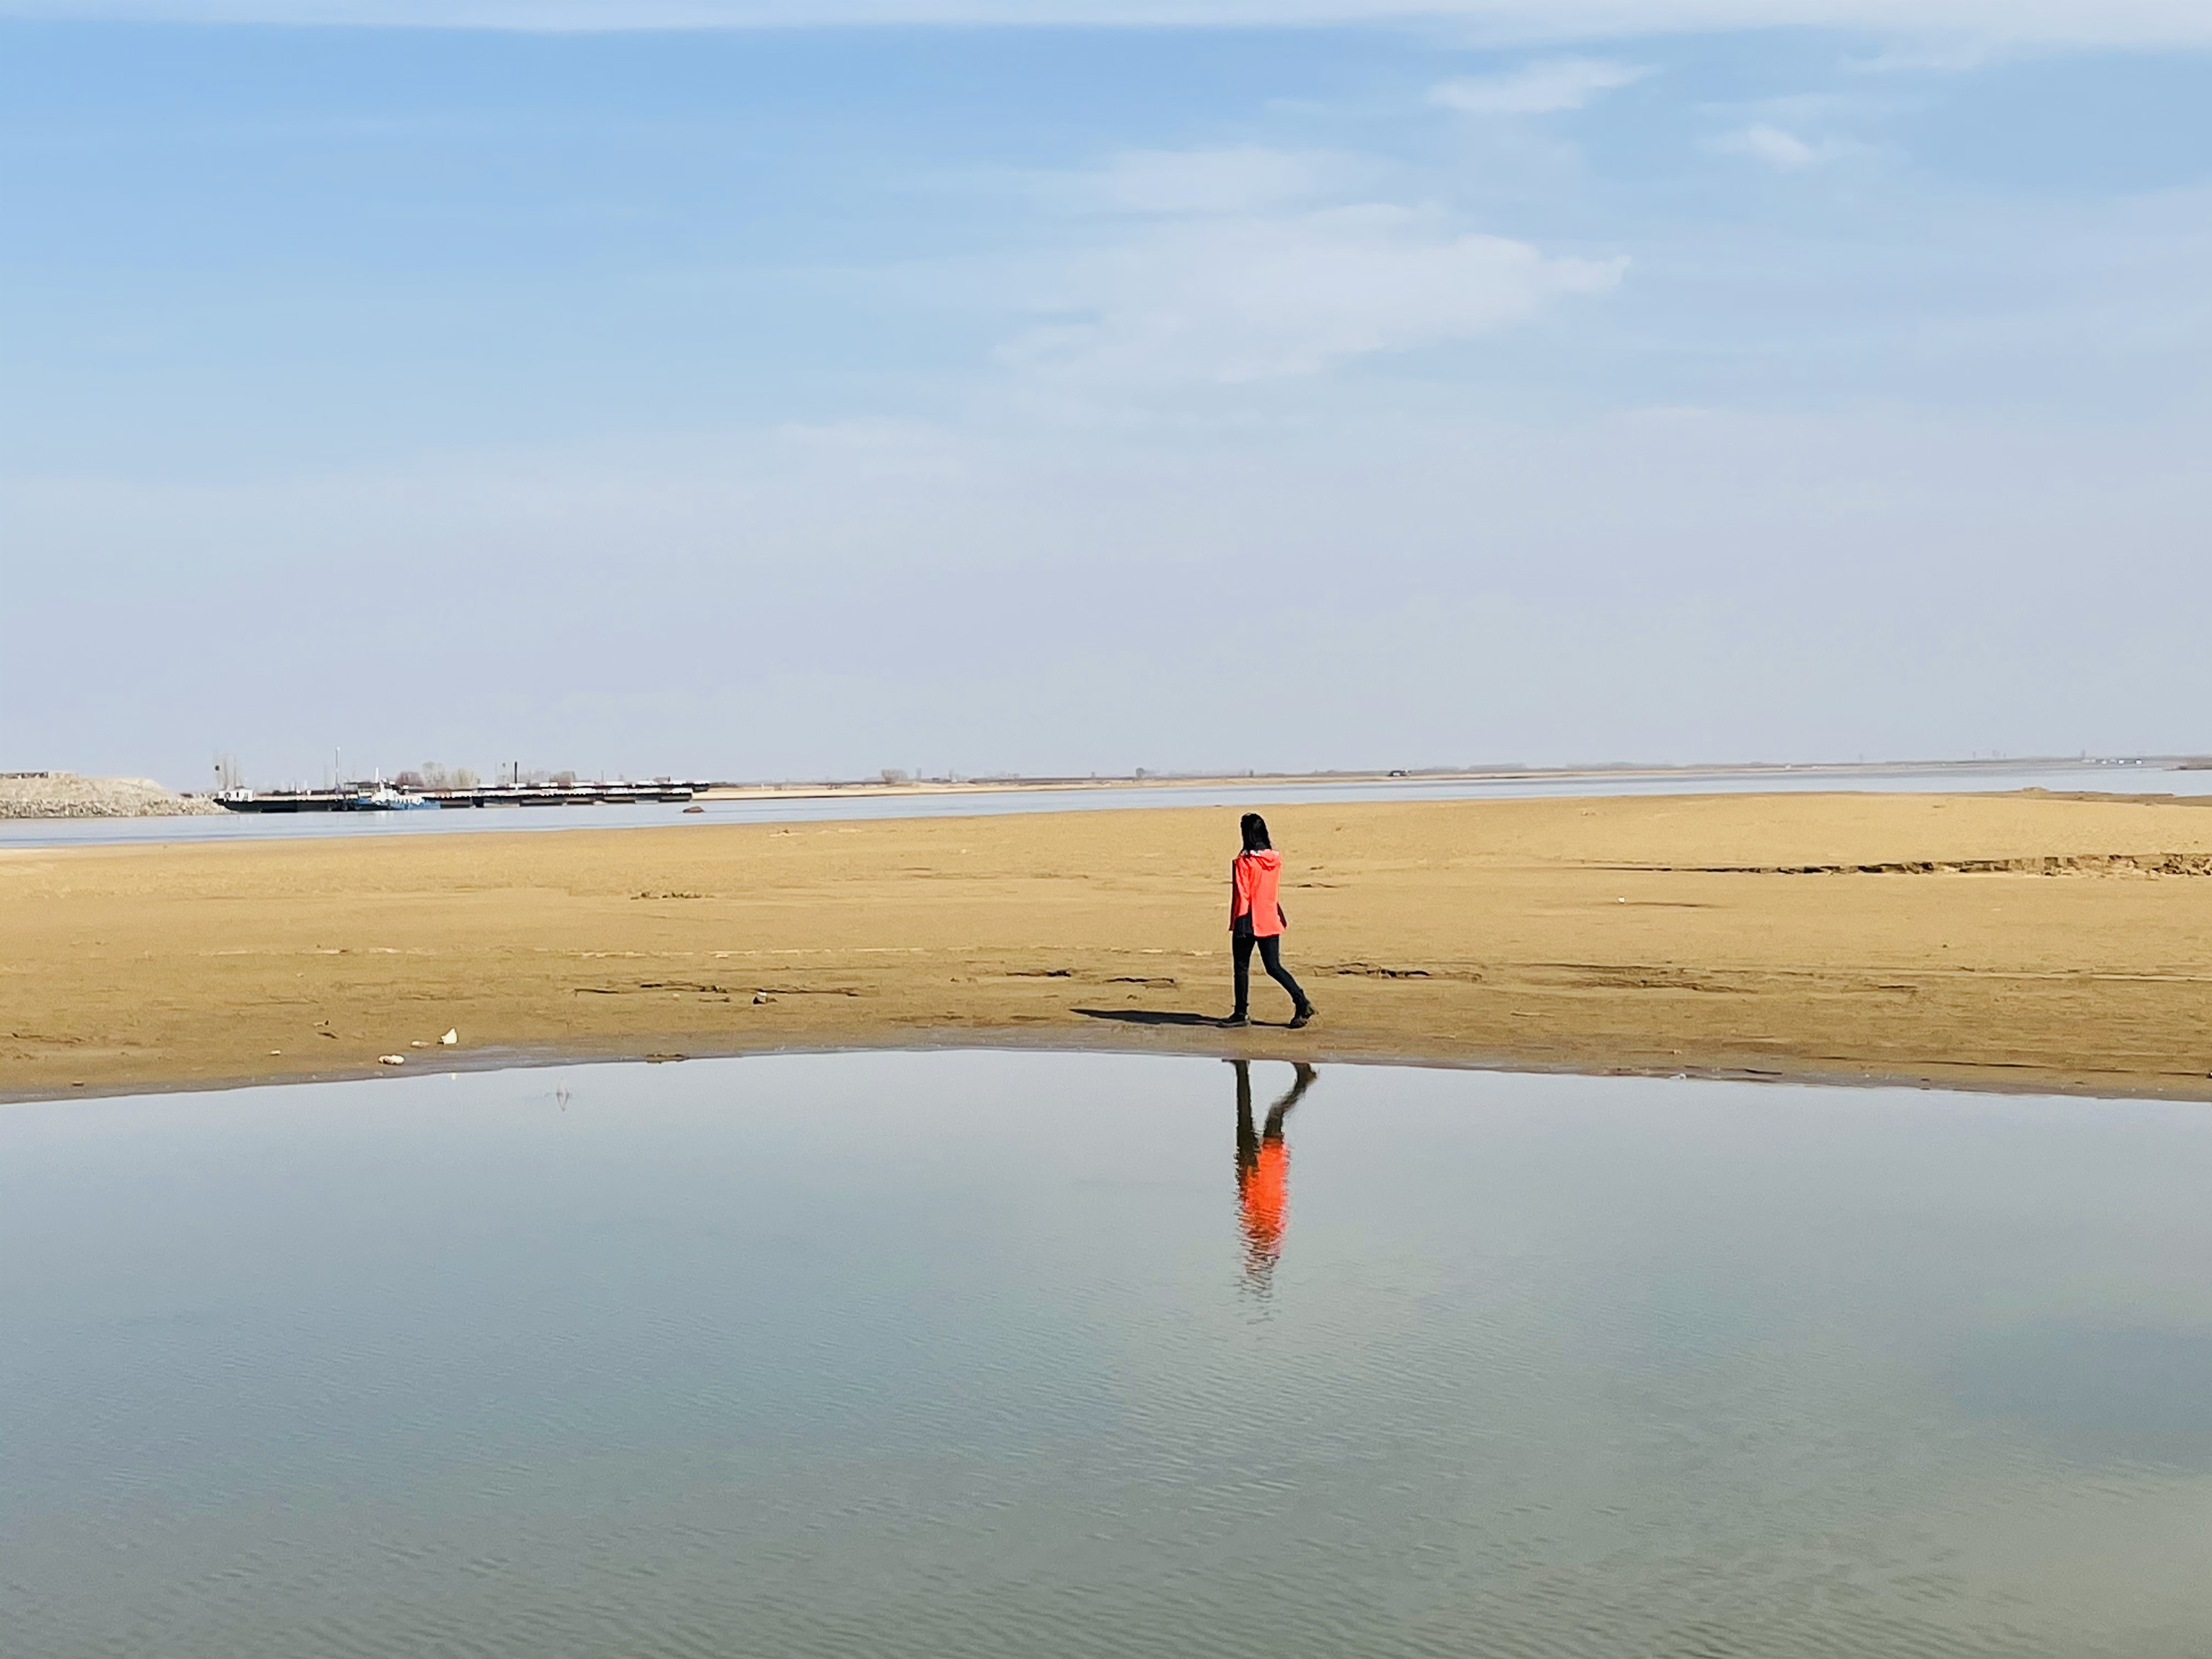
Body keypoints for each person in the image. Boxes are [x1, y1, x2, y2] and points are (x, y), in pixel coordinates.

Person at [1223, 811, 1316, 1029]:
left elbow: (1243, 893)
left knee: (1241, 967)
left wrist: (1239, 921)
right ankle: (1301, 1001)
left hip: (1249, 918)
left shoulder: (1244, 862)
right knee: (1274, 966)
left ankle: (1241, 1013)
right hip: (1271, 916)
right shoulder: (1273, 859)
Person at [1233, 1058, 1317, 1291]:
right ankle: (1302, 1082)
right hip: (1260, 1167)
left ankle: (1243, 1069)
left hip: (1256, 1168)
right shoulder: (1268, 1232)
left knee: (1251, 1117)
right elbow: (1258, 1199)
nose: (1251, 1258)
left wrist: (1246, 1172)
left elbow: (1252, 1201)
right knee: (1269, 1117)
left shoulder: (1268, 1232)